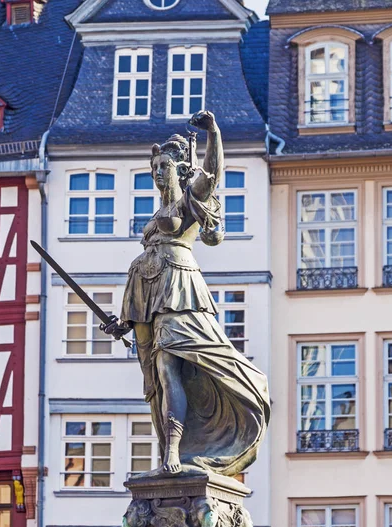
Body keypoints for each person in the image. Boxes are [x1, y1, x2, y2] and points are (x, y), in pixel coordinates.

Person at [103, 110, 270, 476]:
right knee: (154, 381)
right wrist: (124, 323)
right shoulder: (159, 210)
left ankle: (174, 448)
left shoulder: (188, 202)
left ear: (179, 169)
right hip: (144, 292)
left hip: (179, 287)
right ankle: (166, 447)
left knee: (167, 366)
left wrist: (215, 132)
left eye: (164, 165)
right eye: (155, 166)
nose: (157, 172)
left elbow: (212, 174)